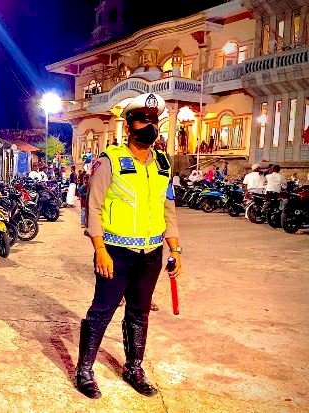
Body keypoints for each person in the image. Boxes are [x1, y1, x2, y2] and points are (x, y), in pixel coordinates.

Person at [76, 93, 181, 399]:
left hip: (151, 255)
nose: (148, 126)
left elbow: (168, 208)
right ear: (129, 124)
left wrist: (174, 249)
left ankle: (133, 367)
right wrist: (99, 249)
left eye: (153, 121)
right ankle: (84, 369)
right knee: (102, 311)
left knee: (139, 312)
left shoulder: (163, 163)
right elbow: (93, 208)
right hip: (115, 252)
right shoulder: (109, 161)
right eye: (141, 120)